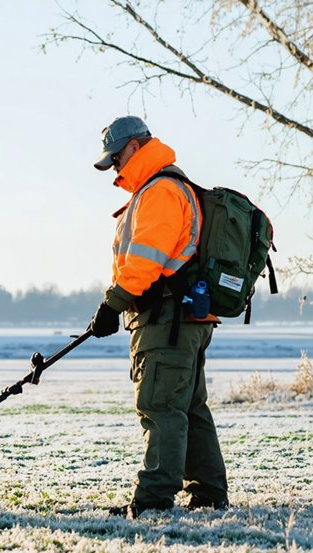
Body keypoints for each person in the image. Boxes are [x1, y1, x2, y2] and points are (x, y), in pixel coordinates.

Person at [87, 115, 229, 518]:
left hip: (167, 320)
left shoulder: (161, 191)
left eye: (115, 158)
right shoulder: (161, 188)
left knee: (160, 406)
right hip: (183, 318)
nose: (114, 167)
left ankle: (153, 500)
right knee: (188, 407)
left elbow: (146, 259)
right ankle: (208, 492)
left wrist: (112, 304)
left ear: (134, 147)